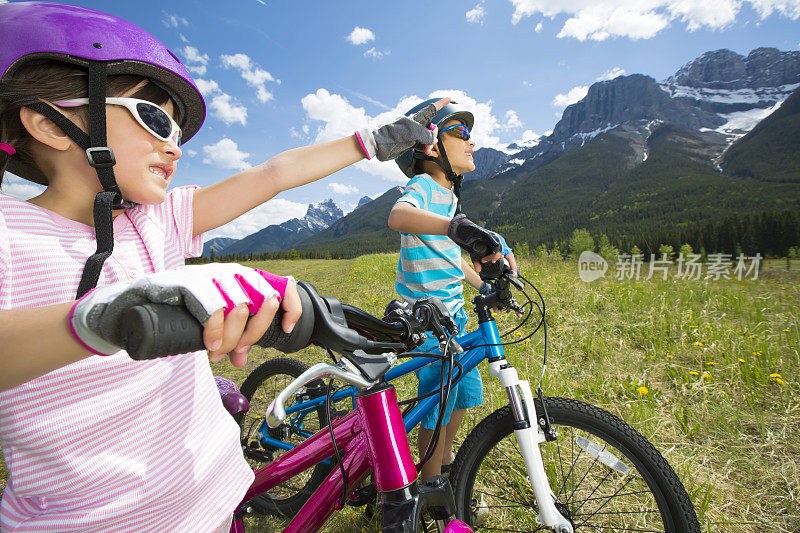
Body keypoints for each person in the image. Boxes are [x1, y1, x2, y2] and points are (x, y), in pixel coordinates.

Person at [0, 3, 445, 531]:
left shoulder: (161, 216)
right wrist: (98, 319)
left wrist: (368, 142)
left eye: (179, 133)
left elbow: (273, 173)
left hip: (217, 490)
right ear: (50, 123)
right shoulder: (10, 234)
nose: (175, 147)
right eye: (155, 118)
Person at [388, 98, 503, 483]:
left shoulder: (451, 199)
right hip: (424, 316)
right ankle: (429, 483)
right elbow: (398, 216)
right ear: (431, 146)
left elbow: (451, 257)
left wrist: (483, 281)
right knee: (439, 399)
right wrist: (452, 227)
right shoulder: (421, 185)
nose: (471, 142)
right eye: (461, 132)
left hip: (453, 312)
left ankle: (444, 456)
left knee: (463, 393)